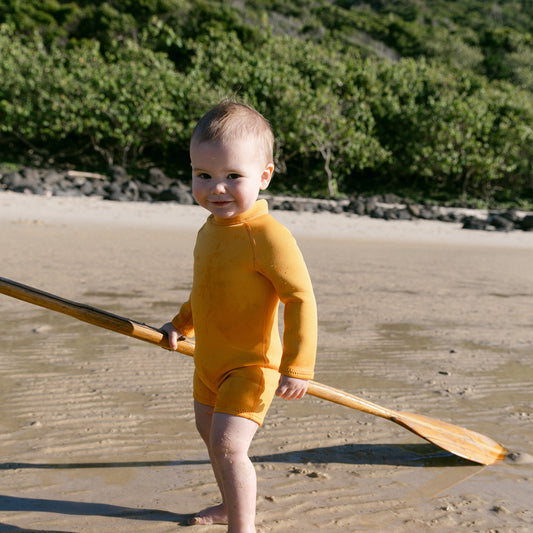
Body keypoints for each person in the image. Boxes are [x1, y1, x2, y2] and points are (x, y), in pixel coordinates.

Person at [160, 100, 317, 532]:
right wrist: (181, 324)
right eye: (203, 175)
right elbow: (206, 291)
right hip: (208, 361)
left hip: (251, 365)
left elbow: (300, 298)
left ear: (264, 176)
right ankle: (231, 506)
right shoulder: (208, 230)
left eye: (233, 176)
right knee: (212, 438)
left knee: (229, 446)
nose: (217, 188)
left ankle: (241, 527)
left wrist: (298, 366)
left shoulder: (268, 236)